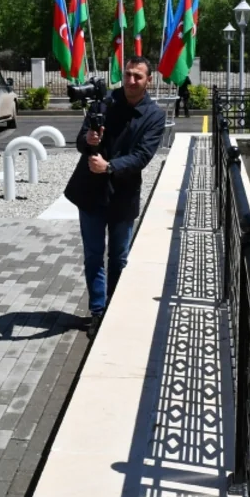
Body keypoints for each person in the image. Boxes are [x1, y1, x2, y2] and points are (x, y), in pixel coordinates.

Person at [64, 56, 167, 339]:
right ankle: (98, 311)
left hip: (123, 194)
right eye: (128, 75)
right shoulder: (103, 102)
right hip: (91, 193)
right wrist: (90, 141)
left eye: (138, 76)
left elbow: (142, 156)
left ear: (149, 80)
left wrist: (109, 167)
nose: (131, 81)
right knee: (93, 256)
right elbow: (80, 142)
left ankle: (115, 308)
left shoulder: (155, 116)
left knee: (119, 257)